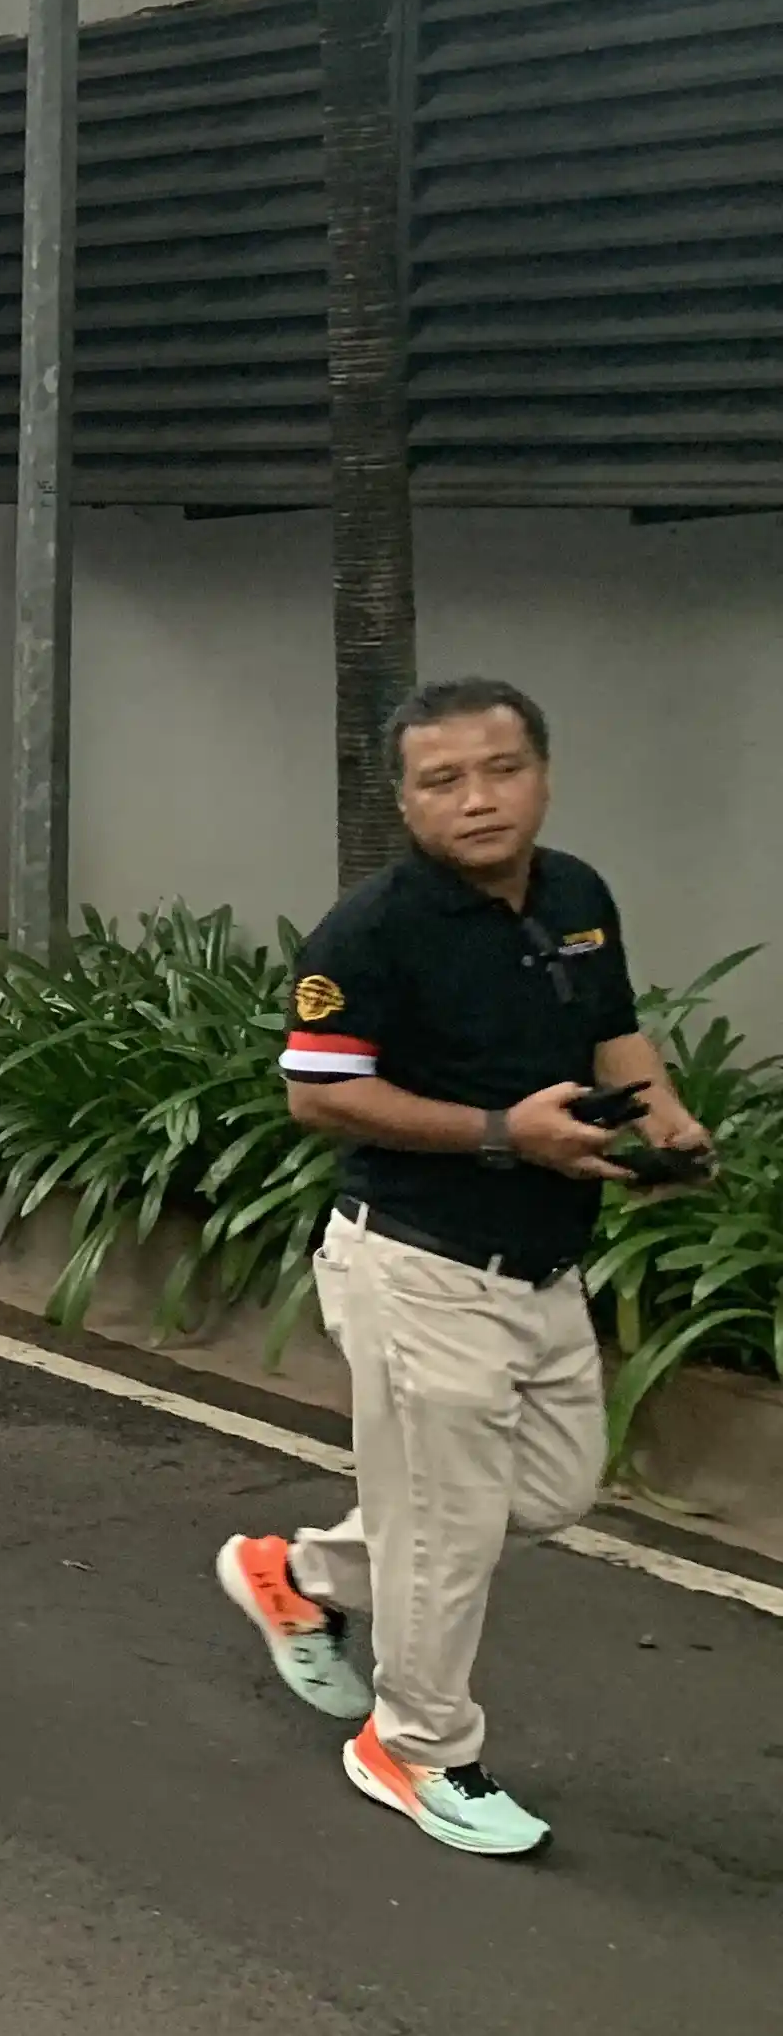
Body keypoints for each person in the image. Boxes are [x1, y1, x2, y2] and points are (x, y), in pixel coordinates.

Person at [217, 678, 695, 1857]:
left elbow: (614, 1025)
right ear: (405, 800)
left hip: (544, 1267)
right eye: (444, 781)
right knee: (446, 1535)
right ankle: (416, 1744)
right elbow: (317, 1094)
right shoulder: (370, 934)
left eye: (501, 770)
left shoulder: (577, 891)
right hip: (420, 1266)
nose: (478, 799)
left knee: (544, 1497)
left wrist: (666, 1120)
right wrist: (502, 1135)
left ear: (543, 773)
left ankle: (302, 1571)